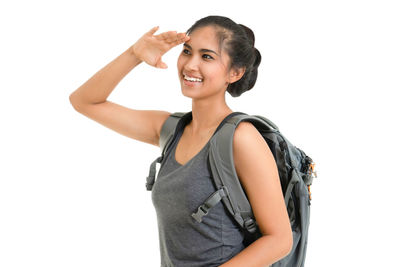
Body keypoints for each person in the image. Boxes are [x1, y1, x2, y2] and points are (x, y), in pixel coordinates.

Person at [69, 15, 293, 267]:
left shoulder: (241, 138)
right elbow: (85, 101)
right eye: (187, 51)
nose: (190, 65)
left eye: (207, 56)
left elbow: (279, 239)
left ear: (235, 72)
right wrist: (134, 54)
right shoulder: (170, 129)